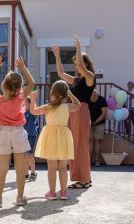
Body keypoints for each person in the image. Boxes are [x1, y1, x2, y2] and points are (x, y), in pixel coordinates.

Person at [0, 56, 35, 208]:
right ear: (18, 88)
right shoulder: (20, 98)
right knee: (20, 167)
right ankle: (20, 198)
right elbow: (32, 83)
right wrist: (22, 67)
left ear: (3, 85)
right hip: (19, 132)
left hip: (4, 133)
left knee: (3, 167)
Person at [52, 35, 95, 189]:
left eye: (77, 61)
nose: (75, 64)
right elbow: (61, 75)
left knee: (81, 145)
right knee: (75, 145)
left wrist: (78, 49)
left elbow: (82, 69)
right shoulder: (77, 80)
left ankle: (85, 179)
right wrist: (57, 56)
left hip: (82, 112)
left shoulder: (89, 77)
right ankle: (81, 178)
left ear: (84, 63)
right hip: (74, 113)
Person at [30, 81, 81, 200]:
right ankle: (63, 192)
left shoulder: (48, 107)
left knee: (52, 167)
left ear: (52, 92)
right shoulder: (67, 106)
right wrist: (71, 94)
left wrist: (33, 99)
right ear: (65, 94)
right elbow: (78, 105)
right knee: (63, 167)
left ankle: (52, 192)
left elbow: (33, 111)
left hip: (51, 136)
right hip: (63, 136)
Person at [88, 89, 107, 166]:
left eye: (93, 95)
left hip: (99, 124)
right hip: (88, 124)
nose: (91, 98)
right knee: (89, 141)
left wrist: (96, 122)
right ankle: (88, 160)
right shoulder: (87, 99)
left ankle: (97, 160)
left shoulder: (102, 99)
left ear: (96, 94)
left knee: (97, 141)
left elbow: (104, 113)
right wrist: (88, 122)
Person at [23, 97, 38, 181]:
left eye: (26, 104)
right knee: (25, 156)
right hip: (23, 136)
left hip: (31, 135)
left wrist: (33, 98)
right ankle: (26, 173)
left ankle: (33, 172)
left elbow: (34, 109)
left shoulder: (32, 113)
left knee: (29, 154)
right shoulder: (22, 113)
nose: (24, 105)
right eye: (23, 104)